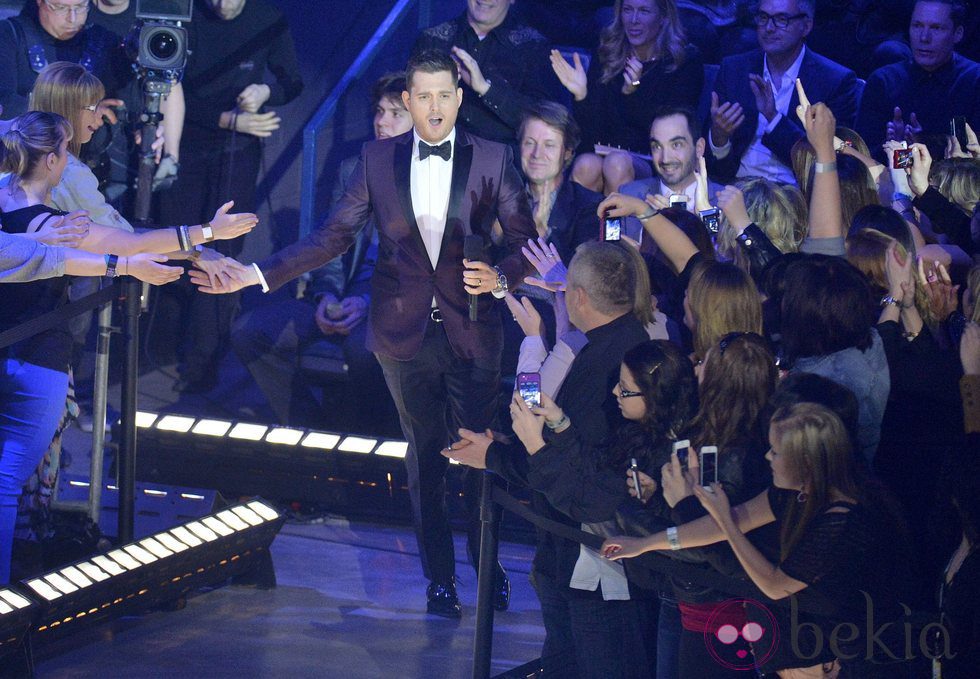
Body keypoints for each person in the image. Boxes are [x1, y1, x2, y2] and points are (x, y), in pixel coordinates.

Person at [190, 50, 538, 618]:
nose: (433, 108)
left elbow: (526, 239)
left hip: (473, 330)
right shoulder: (377, 160)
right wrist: (256, 274)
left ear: (459, 98)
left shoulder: (493, 158)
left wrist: (503, 276)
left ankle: (487, 562)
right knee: (424, 457)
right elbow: (333, 238)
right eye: (421, 97)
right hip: (403, 333)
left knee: (479, 452)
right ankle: (440, 580)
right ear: (408, 101)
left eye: (443, 96)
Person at [444, 241, 650, 677]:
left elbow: (574, 461)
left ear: (576, 296)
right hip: (572, 544)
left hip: (590, 553)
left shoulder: (606, 363)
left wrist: (495, 456)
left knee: (585, 660)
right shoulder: (618, 343)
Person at [0, 111, 187, 584]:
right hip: (37, 362)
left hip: (21, 357)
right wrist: (203, 239)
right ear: (52, 158)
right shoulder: (54, 225)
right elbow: (125, 245)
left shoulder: (23, 216)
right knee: (6, 482)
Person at [603, 402, 917, 675]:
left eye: (776, 451)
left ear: (805, 461)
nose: (767, 456)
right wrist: (646, 543)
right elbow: (729, 523)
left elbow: (774, 584)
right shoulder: (792, 492)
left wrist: (724, 519)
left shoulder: (841, 518)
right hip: (809, 640)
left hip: (855, 650)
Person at [230, 74, 412, 431]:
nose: (381, 122)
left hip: (390, 309)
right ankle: (311, 431)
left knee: (365, 351)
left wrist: (368, 304)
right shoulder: (353, 170)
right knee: (250, 332)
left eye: (395, 114)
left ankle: (376, 444)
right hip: (343, 300)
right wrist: (325, 295)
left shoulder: (431, 180)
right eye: (378, 111)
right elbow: (332, 244)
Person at [157, 0, 303, 394]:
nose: (223, 5)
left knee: (223, 248)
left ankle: (203, 362)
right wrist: (226, 118)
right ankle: (163, 348)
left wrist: (265, 90)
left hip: (236, 151)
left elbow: (292, 81)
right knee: (179, 242)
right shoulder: (190, 17)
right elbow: (174, 89)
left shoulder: (267, 19)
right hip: (186, 143)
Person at [550, 0, 703, 194]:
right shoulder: (608, 53)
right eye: (628, 10)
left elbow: (671, 129)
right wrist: (582, 95)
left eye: (644, 11)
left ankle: (619, 225)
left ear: (663, 17)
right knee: (585, 165)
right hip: (602, 152)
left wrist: (633, 94)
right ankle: (583, 225)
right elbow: (588, 137)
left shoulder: (684, 61)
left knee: (617, 164)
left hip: (655, 158)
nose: (634, 20)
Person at [705, 0, 859, 184]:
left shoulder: (835, 82)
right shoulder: (734, 69)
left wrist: (774, 118)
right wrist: (719, 138)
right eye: (763, 18)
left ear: (806, 26)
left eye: (781, 19)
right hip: (736, 188)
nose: (769, 28)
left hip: (798, 197)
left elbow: (838, 161)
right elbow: (713, 164)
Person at [412, 0, 559, 145]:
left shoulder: (532, 46)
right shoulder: (433, 40)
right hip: (438, 153)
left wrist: (486, 89)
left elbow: (542, 119)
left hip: (503, 159)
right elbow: (405, 103)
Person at [856, 0, 980, 164]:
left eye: (936, 28)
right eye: (917, 26)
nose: (924, 37)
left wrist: (917, 149)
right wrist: (903, 149)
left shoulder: (974, 81)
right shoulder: (884, 82)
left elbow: (971, 164)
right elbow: (864, 160)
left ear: (957, 33)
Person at [618, 106, 723, 241]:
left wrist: (697, 223)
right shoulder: (631, 194)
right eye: (657, 147)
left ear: (699, 148)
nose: (665, 159)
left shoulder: (724, 202)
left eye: (676, 145)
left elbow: (724, 259)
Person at [517, 101, 602, 262]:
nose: (536, 154)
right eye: (529, 143)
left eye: (549, 145)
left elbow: (582, 274)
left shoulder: (589, 206)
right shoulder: (503, 197)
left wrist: (542, 235)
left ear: (567, 153)